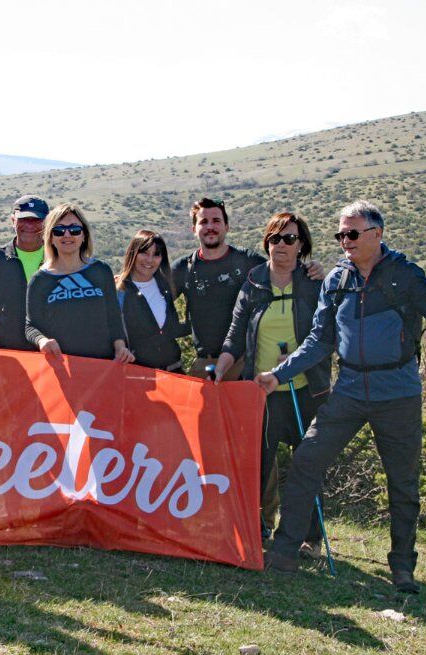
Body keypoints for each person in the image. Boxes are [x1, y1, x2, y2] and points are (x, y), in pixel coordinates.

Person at [257, 200, 426, 593]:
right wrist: (278, 376)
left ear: (377, 234)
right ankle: (285, 552)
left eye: (352, 233)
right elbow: (319, 341)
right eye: (340, 235)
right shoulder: (337, 281)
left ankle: (402, 568)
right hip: (348, 390)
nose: (344, 241)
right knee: (307, 459)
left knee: (403, 482)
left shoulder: (405, 275)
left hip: (398, 394)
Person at [216, 213, 331, 549]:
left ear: (301, 245)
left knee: (306, 466)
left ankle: (309, 538)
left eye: (289, 239)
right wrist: (221, 367)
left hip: (306, 391)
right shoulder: (253, 284)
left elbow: (327, 334)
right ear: (266, 243)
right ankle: (255, 531)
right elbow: (235, 334)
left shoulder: (313, 283)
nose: (281, 244)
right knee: (258, 466)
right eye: (275, 238)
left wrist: (293, 362)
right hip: (261, 394)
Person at [172, 197, 323, 380]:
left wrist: (311, 269)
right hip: (206, 365)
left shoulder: (247, 261)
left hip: (246, 364)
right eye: (203, 222)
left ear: (227, 226)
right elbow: (154, 301)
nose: (210, 226)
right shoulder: (184, 268)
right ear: (194, 229)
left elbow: (283, 266)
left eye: (216, 221)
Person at [25, 204, 133, 363]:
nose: (67, 234)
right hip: (63, 367)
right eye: (59, 230)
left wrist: (120, 347)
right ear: (50, 238)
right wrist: (42, 341)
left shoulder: (101, 270)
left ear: (84, 236)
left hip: (103, 367)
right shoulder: (39, 280)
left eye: (74, 229)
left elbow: (113, 317)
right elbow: (30, 326)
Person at [0, 195, 49, 351]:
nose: (29, 225)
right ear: (13, 220)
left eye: (36, 220)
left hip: (52, 353)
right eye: (23, 219)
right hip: (8, 355)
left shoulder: (59, 257)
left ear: (47, 223)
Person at [116, 230, 188, 372]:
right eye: (144, 253)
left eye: (156, 254)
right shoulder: (119, 291)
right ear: (133, 253)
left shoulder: (165, 286)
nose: (149, 260)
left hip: (173, 371)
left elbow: (170, 329)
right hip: (136, 375)